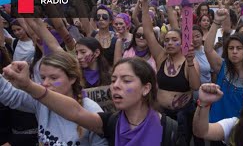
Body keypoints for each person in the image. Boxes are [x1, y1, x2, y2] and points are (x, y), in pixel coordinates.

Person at [3, 57, 179, 146]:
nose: (115, 86)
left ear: (146, 88)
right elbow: (75, 112)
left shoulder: (170, 129)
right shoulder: (110, 122)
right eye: (113, 80)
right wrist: (27, 85)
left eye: (126, 80)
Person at [1, 51, 107, 145]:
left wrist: (28, 85)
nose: (46, 83)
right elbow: (10, 96)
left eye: (53, 78)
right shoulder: (42, 102)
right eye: (43, 78)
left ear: (72, 78)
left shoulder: (91, 110)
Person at [141, 0, 201, 145]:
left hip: (183, 116)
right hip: (160, 114)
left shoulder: (190, 61)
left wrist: (190, 63)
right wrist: (145, 4)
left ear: (182, 43)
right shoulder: (161, 57)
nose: (169, 43)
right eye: (167, 40)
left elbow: (195, 87)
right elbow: (148, 32)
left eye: (174, 40)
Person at [204, 8, 243, 124]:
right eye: (231, 48)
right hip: (217, 126)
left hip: (242, 129)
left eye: (239, 48)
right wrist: (216, 22)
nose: (234, 51)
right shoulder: (222, 66)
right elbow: (208, 49)